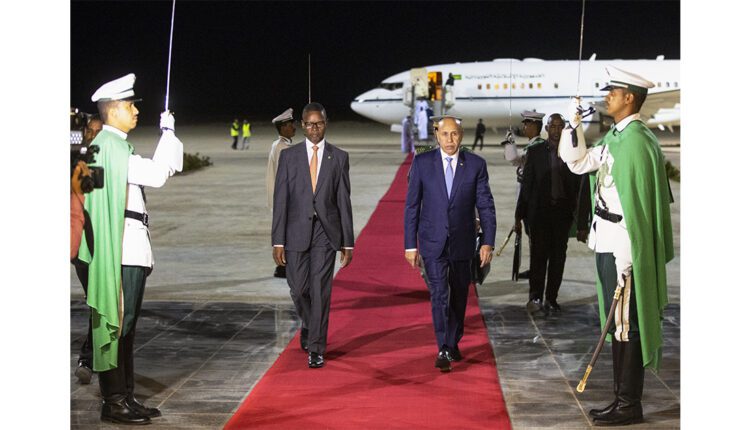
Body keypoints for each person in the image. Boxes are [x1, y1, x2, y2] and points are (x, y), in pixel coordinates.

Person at [559, 66, 673, 426]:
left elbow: (636, 207)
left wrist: (629, 255)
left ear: (630, 98)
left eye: (614, 91)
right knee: (617, 324)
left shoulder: (637, 141)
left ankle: (628, 404)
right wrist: (572, 125)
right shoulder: (616, 137)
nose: (607, 96)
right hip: (607, 242)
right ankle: (621, 400)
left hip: (624, 248)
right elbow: (578, 163)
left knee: (626, 324)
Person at [77, 73, 183, 424]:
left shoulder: (109, 146)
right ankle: (114, 401)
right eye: (129, 106)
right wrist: (168, 133)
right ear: (112, 110)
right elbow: (157, 175)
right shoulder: (111, 147)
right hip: (123, 248)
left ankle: (125, 397)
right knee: (120, 325)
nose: (136, 111)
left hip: (125, 245)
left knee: (126, 326)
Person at [404, 115, 496, 373]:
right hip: (432, 241)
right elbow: (412, 206)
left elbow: (486, 205)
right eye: (445, 134)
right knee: (438, 293)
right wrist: (410, 245)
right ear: (437, 135)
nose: (450, 139)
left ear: (461, 136)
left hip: (463, 242)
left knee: (458, 294)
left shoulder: (476, 165)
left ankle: (453, 341)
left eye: (454, 134)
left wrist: (487, 241)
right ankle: (443, 346)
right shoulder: (422, 163)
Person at [272, 102, 354, 369]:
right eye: (309, 124)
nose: (314, 128)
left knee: (320, 290)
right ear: (303, 126)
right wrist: (278, 240)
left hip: (325, 232)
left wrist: (347, 242)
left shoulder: (338, 157)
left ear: (325, 124)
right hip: (295, 231)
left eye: (318, 123)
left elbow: (343, 201)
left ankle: (317, 347)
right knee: (298, 289)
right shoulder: (289, 157)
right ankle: (310, 324)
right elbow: (281, 200)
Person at [515, 114, 582, 315]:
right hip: (539, 215)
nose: (556, 130)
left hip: (562, 215)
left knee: (558, 259)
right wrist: (519, 216)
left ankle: (551, 298)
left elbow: (578, 187)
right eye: (553, 126)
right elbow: (526, 185)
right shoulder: (535, 152)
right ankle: (535, 296)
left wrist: (580, 219)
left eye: (560, 126)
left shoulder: (571, 153)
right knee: (538, 257)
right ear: (547, 128)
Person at [71, 115, 103, 385]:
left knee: (97, 301)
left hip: (99, 246)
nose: (93, 136)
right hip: (81, 248)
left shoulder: (103, 161)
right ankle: (89, 358)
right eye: (90, 131)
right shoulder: (75, 165)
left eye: (98, 131)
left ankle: (89, 359)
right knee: (96, 300)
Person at [504, 110, 546, 280]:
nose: (524, 127)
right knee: (532, 237)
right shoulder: (531, 147)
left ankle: (537, 270)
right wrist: (510, 143)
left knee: (536, 238)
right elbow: (514, 160)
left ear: (535, 126)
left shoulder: (538, 147)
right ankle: (535, 268)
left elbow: (517, 162)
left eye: (527, 124)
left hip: (533, 199)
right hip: (525, 195)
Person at [266, 107, 296, 278]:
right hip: (285, 199)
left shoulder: (277, 145)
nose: (294, 127)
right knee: (288, 233)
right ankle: (283, 267)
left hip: (280, 197)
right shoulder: (283, 148)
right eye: (291, 124)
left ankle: (284, 266)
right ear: (283, 127)